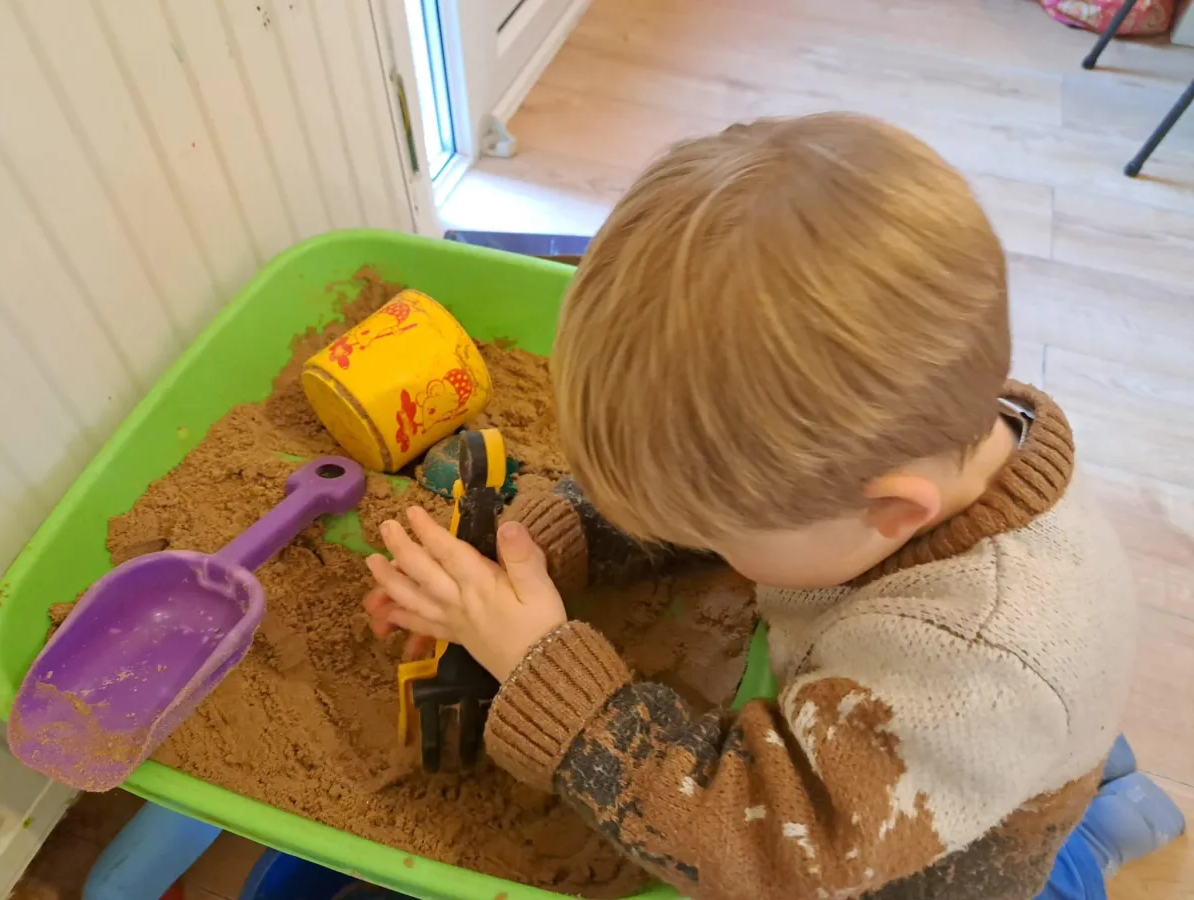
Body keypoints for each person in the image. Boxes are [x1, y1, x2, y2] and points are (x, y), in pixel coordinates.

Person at [362, 114, 1183, 900]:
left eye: (707, 530)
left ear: (892, 512)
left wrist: (549, 675)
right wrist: (549, 540)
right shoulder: (919, 424)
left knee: (1028, 867)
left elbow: (760, 852)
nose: (692, 538)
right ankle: (1080, 764)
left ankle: (1093, 839)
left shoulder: (967, 670)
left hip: (947, 865)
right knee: (1018, 739)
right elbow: (735, 477)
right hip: (999, 727)